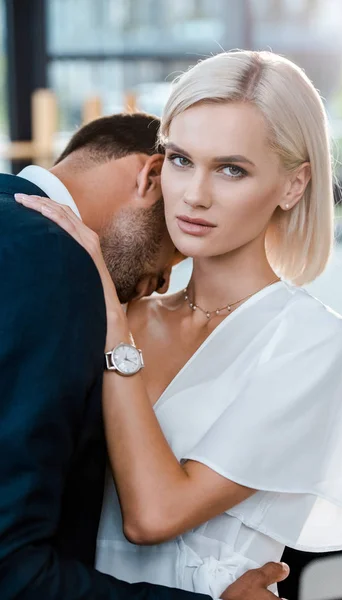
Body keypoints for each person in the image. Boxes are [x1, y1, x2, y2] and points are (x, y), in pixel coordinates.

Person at [15, 50, 342, 599]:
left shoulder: (315, 344)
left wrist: (113, 328)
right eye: (182, 160)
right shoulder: (122, 310)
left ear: (293, 185)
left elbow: (153, 515)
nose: (195, 195)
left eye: (232, 169)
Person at [0, 112, 288, 600]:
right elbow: (11, 571)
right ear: (154, 177)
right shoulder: (55, 261)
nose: (163, 284)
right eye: (176, 252)